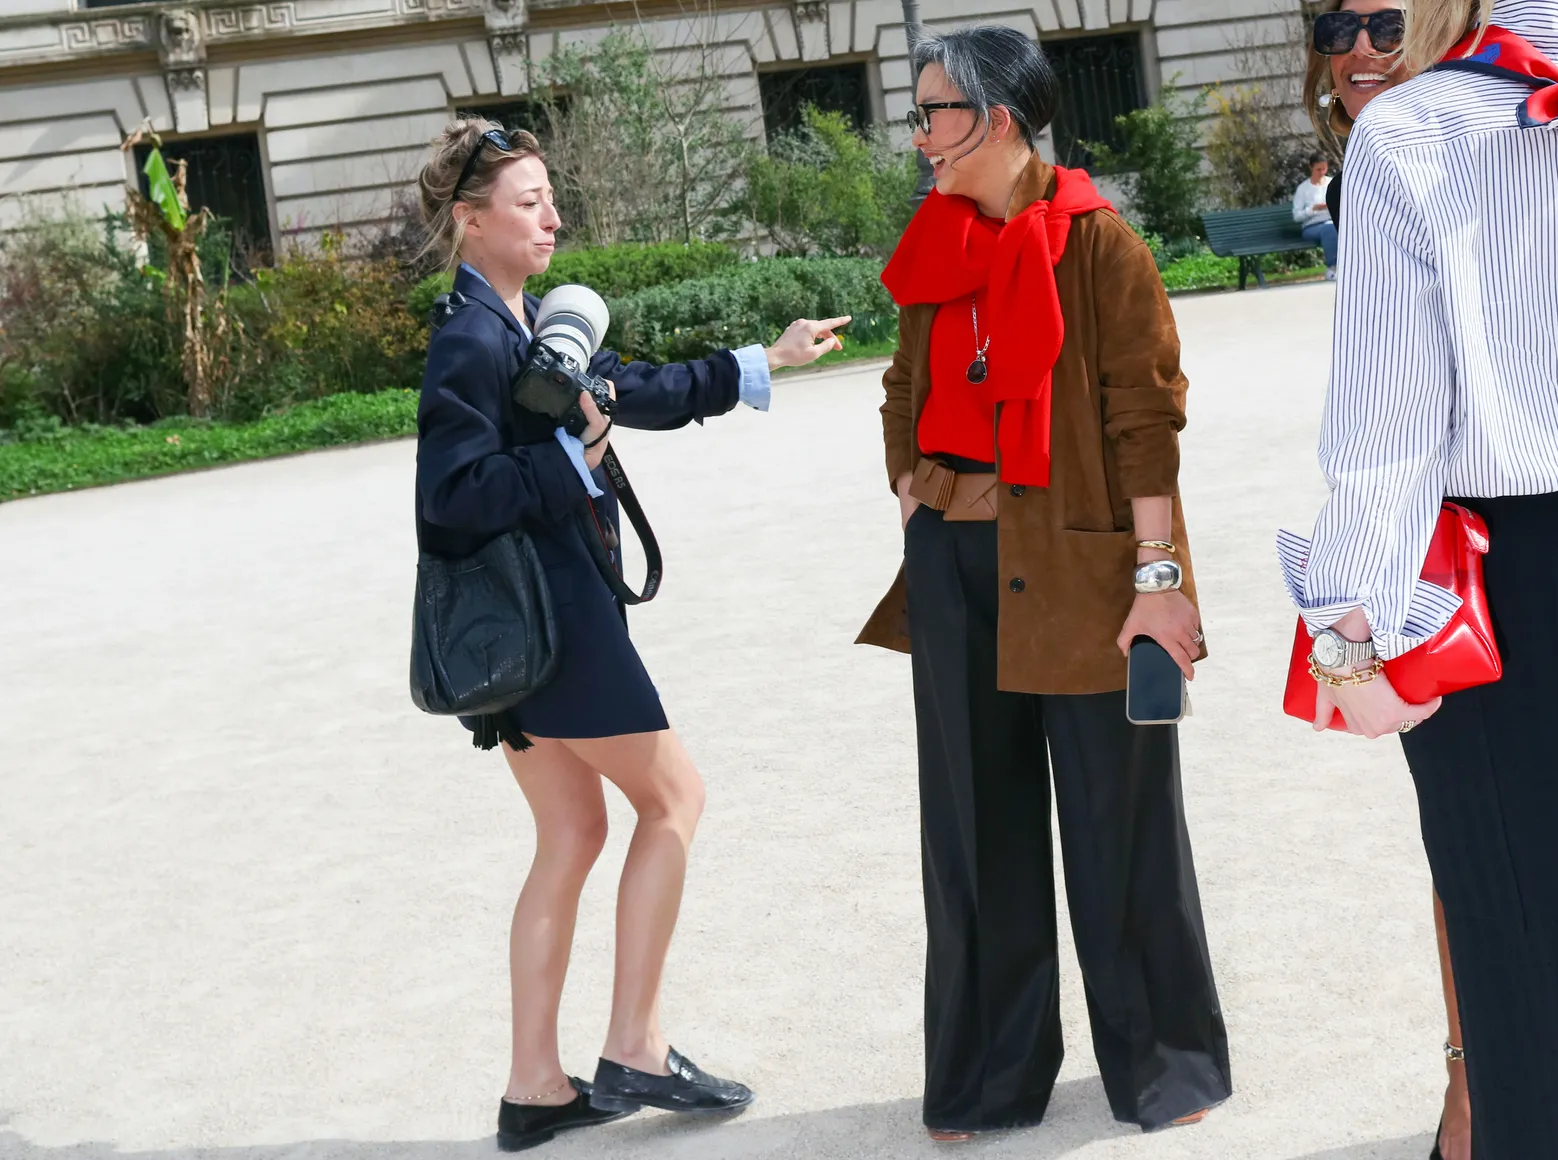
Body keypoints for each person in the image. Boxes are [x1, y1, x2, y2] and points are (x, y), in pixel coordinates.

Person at [413, 118, 847, 1152]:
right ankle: (635, 1046)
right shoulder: (471, 338)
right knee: (676, 796)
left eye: (550, 197)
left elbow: (623, 388)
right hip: (552, 620)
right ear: (472, 222)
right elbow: (450, 499)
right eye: (529, 202)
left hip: (525, 635)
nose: (553, 215)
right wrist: (572, 458)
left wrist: (759, 361)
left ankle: (533, 1086)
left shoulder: (523, 323)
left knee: (571, 833)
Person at [856, 25, 1230, 1143]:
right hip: (954, 559)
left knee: (1120, 824)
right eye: (917, 113)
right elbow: (905, 379)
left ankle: (1166, 1063)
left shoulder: (1098, 242)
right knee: (973, 830)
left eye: (932, 112)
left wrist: (1157, 581)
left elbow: (1143, 419)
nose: (917, 134)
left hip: (1081, 563)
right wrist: (911, 483)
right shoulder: (934, 239)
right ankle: (986, 1076)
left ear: (998, 119)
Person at [1280, 0, 1558, 1156]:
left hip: (1526, 586)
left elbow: (1386, 430)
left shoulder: (1414, 132)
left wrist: (1348, 641)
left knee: (1531, 964)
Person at [1303, 10, 1469, 1160]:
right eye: (1334, 24)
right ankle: (1472, 1078)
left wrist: (1343, 634)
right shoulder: (1379, 161)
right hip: (1428, 559)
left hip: (1491, 544)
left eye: (1383, 19)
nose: (1358, 43)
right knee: (1462, 843)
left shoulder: (1489, 132)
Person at [1293, 155, 1339, 279]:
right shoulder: (1303, 189)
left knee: (1337, 228)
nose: (1322, 172)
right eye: (1318, 169)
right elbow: (1297, 216)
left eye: (1324, 169)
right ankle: (1333, 267)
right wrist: (1312, 209)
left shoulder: (1332, 183)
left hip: (1334, 221)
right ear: (1311, 167)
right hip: (1312, 227)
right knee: (1329, 229)